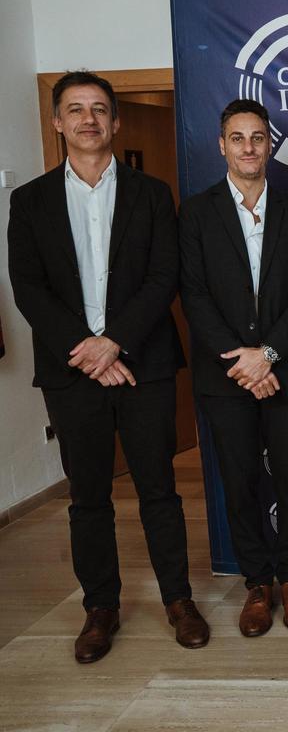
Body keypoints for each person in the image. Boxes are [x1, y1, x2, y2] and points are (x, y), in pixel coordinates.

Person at [7, 70, 209, 662]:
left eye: (99, 109)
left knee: (160, 491)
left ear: (116, 122)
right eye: (75, 109)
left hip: (142, 364)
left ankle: (178, 600)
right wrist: (88, 350)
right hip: (72, 374)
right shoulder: (31, 200)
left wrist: (114, 342)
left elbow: (162, 277)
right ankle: (101, 607)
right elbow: (29, 287)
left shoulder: (152, 194)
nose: (88, 119)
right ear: (57, 122)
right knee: (88, 497)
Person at [179, 99, 288, 637]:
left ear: (270, 144)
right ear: (221, 145)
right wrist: (243, 361)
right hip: (225, 375)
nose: (249, 147)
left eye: (257, 137)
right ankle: (256, 585)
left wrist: (269, 355)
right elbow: (193, 295)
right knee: (239, 484)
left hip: (286, 369)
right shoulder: (196, 212)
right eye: (238, 138)